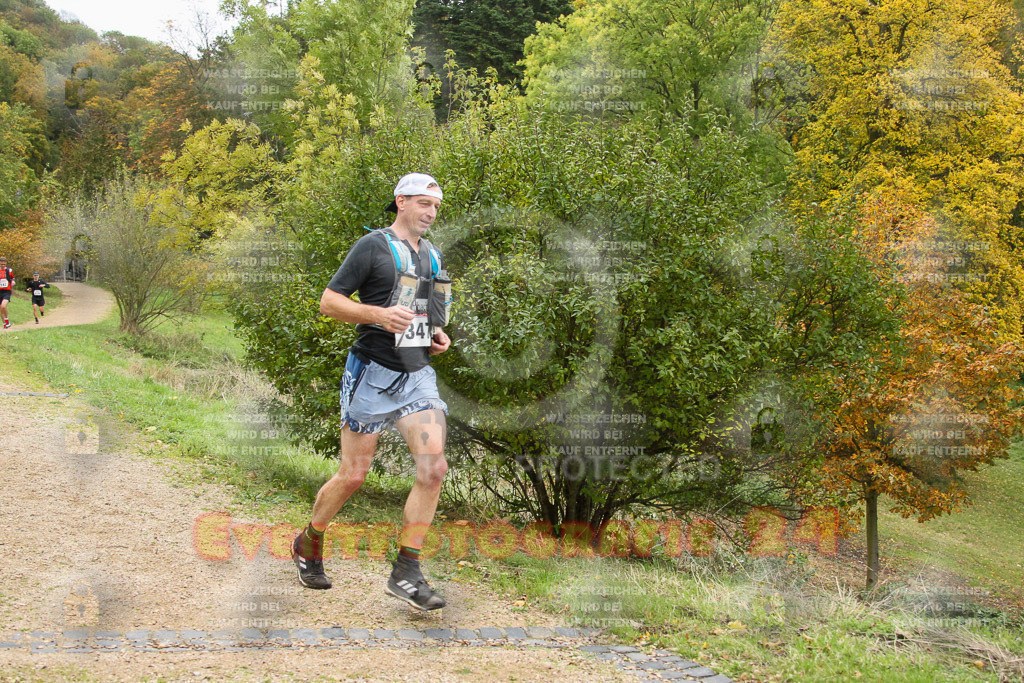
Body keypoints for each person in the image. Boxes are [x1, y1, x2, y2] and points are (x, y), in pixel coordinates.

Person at [292, 173, 453, 611]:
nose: (431, 213)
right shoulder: (372, 246)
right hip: (372, 374)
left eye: (436, 207)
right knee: (354, 475)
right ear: (401, 201)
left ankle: (407, 571)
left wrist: (437, 334)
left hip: (417, 376)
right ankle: (309, 541)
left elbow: (427, 312)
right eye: (423, 204)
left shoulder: (433, 255)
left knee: (434, 468)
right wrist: (378, 315)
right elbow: (329, 302)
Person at [0, 257, 13, 329]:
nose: (3, 265)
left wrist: (13, 281)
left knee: (3, 306)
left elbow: (12, 278)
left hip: (7, 291)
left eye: (4, 264)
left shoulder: (9, 271)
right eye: (1, 264)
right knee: (0, 310)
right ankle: (5, 324)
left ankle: (7, 320)